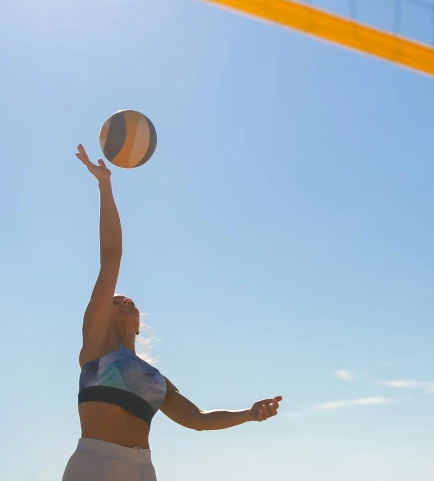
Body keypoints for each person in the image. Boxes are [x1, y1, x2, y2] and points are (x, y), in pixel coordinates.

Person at [63, 145, 283, 481]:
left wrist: (249, 414)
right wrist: (104, 186)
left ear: (139, 326)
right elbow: (111, 254)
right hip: (94, 463)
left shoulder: (154, 378)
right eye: (115, 300)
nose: (124, 302)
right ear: (100, 315)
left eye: (129, 300)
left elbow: (197, 418)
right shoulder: (95, 345)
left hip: (142, 469)